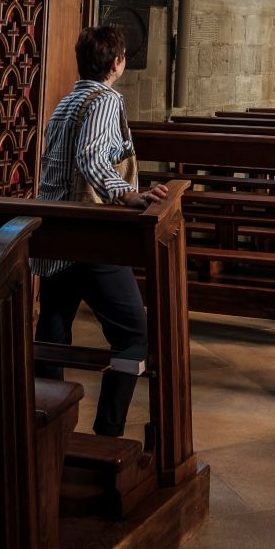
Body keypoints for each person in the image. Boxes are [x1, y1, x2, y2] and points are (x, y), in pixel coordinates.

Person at [33, 24, 169, 437]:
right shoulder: (105, 99)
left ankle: (44, 428)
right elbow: (91, 157)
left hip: (55, 233)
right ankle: (107, 435)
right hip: (89, 234)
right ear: (116, 63)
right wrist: (127, 194)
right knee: (135, 336)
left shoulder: (68, 100)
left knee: (51, 334)